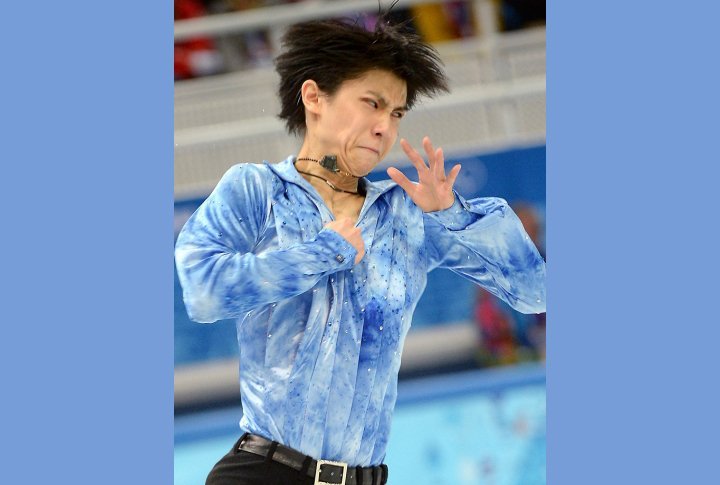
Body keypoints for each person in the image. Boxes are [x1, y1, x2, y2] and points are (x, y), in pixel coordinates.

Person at [175, 7, 546, 485]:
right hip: (264, 473)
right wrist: (322, 253)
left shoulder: (408, 215)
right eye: (371, 103)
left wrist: (452, 215)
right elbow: (202, 292)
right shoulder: (257, 191)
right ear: (314, 96)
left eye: (396, 113)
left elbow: (536, 292)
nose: (384, 127)